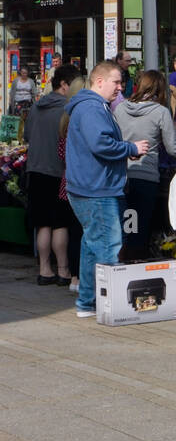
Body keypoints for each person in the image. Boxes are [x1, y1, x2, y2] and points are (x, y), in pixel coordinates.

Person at [64, 61, 150, 318]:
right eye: (116, 82)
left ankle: (88, 303)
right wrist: (130, 148)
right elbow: (100, 144)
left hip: (91, 186)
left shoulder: (92, 106)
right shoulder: (92, 108)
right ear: (99, 81)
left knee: (92, 246)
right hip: (96, 189)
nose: (120, 87)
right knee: (109, 246)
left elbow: (100, 144)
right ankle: (112, 306)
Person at [114, 70, 176, 261]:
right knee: (141, 227)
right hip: (146, 177)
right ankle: (136, 269)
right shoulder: (160, 112)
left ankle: (122, 264)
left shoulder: (120, 109)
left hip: (121, 175)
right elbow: (173, 148)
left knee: (126, 225)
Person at [24, 65, 82, 285]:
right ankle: (64, 270)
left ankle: (44, 269)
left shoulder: (37, 107)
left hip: (36, 169)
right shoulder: (67, 110)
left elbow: (27, 135)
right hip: (59, 172)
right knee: (60, 224)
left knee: (43, 223)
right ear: (65, 85)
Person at [57, 74, 86, 293]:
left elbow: (61, 154)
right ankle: (83, 277)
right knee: (86, 233)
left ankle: (74, 276)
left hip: (67, 183)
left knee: (74, 232)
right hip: (84, 183)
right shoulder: (85, 118)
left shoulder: (65, 120)